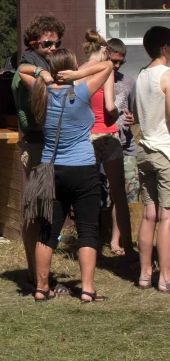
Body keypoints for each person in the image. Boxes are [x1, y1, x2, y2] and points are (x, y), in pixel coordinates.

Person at [21, 49, 113, 302]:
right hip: (83, 169)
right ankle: (87, 289)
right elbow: (106, 66)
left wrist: (43, 74)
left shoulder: (42, 91)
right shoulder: (81, 93)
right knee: (87, 231)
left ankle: (41, 287)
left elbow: (21, 70)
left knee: (47, 232)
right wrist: (81, 73)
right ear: (70, 68)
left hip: (53, 171)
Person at [10, 13, 67, 293]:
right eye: (47, 44)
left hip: (42, 145)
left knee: (40, 210)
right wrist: (41, 73)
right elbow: (23, 74)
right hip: (36, 145)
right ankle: (36, 276)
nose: (53, 48)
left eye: (57, 43)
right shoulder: (29, 67)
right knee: (36, 212)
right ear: (33, 44)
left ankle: (37, 273)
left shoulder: (39, 64)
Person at [79, 30, 134, 257]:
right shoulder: (107, 71)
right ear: (104, 51)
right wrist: (116, 113)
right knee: (119, 195)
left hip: (85, 136)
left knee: (89, 193)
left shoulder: (79, 71)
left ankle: (89, 246)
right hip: (108, 136)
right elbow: (110, 106)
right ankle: (129, 249)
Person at [134, 26, 170, 292]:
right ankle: (165, 277)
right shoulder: (166, 75)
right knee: (167, 217)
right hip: (164, 150)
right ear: (164, 48)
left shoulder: (141, 75)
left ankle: (145, 274)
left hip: (143, 150)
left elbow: (136, 115)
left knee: (149, 214)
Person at [107, 39, 140, 206]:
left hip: (127, 146)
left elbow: (134, 111)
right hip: (104, 145)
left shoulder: (129, 81)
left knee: (127, 197)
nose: (117, 66)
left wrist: (133, 119)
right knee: (104, 198)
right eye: (114, 61)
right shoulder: (95, 81)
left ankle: (119, 232)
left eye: (121, 62)